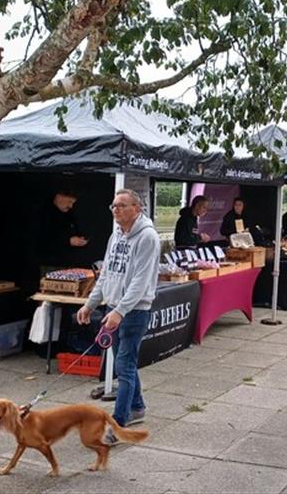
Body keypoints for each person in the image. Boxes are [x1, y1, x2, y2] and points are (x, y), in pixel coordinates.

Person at [76, 189, 161, 444]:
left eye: (122, 206)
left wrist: (119, 312)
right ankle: (137, 407)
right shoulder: (115, 235)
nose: (116, 210)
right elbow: (107, 273)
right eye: (113, 206)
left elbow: (139, 281)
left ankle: (119, 422)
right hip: (113, 306)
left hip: (134, 311)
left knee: (123, 365)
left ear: (137, 208)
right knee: (127, 363)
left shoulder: (147, 237)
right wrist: (90, 304)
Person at [33, 189, 88, 274]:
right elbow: (41, 240)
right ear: (59, 197)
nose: (71, 206)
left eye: (73, 203)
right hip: (50, 264)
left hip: (68, 264)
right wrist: (68, 241)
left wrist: (79, 238)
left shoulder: (69, 214)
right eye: (69, 202)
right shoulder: (44, 214)